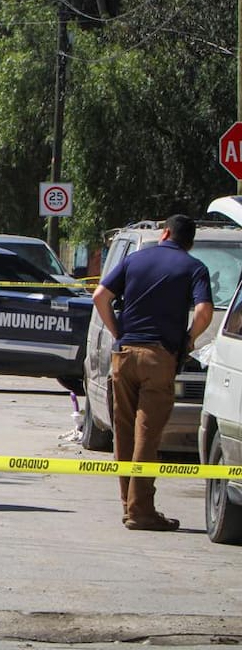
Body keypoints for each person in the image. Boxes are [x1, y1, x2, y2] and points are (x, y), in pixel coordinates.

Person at [91, 214, 212, 531]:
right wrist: (189, 339)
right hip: (159, 357)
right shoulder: (194, 268)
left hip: (124, 355)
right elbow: (204, 312)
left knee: (124, 431)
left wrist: (118, 332)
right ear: (189, 243)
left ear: (165, 233)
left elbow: (100, 296)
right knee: (147, 434)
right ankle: (141, 510)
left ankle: (129, 504)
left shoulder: (135, 259)